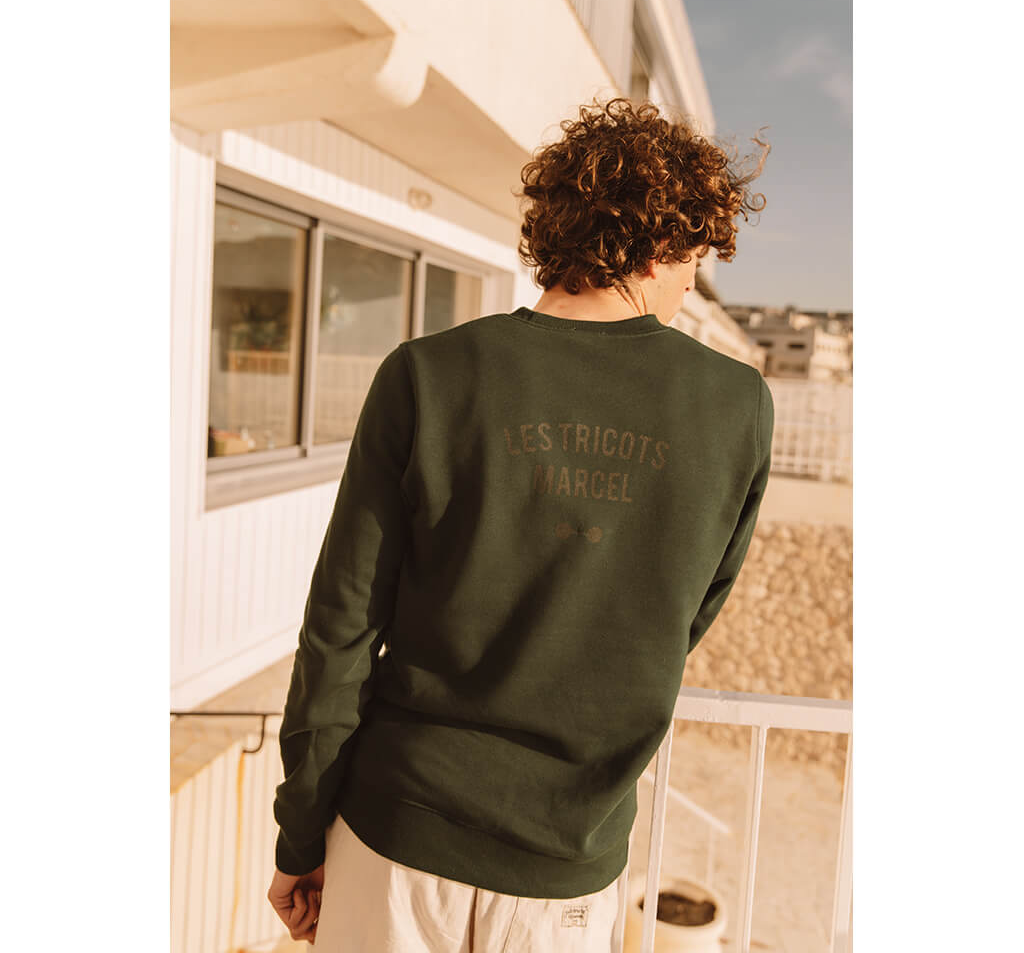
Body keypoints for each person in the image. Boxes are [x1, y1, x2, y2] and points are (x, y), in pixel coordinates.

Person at [267, 97, 771, 950]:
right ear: (660, 241)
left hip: (396, 839)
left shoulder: (428, 374)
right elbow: (683, 617)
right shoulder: (736, 408)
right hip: (564, 869)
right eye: (694, 258)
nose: (692, 284)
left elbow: (340, 632)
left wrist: (302, 831)